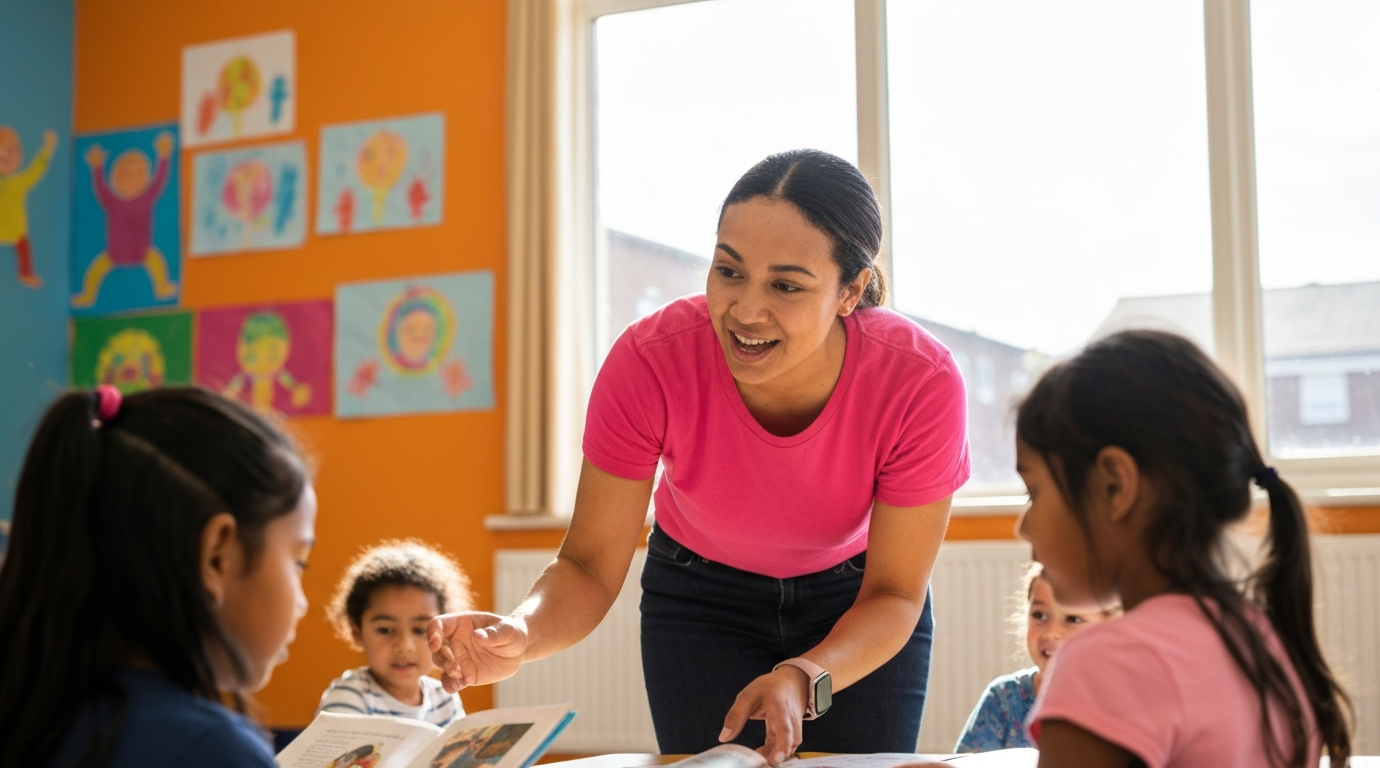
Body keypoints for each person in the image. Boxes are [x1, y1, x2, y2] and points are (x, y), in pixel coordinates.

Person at [428, 149, 970, 763]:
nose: (744, 310)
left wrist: (803, 674)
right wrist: (521, 634)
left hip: (858, 604)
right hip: (699, 599)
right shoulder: (650, 361)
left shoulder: (919, 381)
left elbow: (896, 594)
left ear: (851, 291)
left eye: (786, 285)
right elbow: (586, 565)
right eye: (728, 271)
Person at [1016, 329, 1352, 768]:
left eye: (1033, 492)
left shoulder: (1107, 663)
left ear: (1114, 485)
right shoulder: (1267, 644)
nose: (1024, 527)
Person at [0, 385, 316, 768]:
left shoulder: (33, 715)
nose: (302, 602)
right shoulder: (210, 750)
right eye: (299, 562)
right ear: (217, 556)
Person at [953, 565, 1116, 752]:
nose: (1051, 632)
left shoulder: (1123, 702)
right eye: (1039, 615)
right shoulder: (1003, 697)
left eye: (1073, 619)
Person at [319, 540, 470, 727]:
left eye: (421, 630)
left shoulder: (445, 698)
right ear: (357, 633)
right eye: (385, 630)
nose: (405, 646)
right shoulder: (349, 696)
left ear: (444, 633)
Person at [72, 132, 179, 309]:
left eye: (137, 174)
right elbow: (100, 188)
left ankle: (162, 288)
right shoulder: (112, 201)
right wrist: (97, 166)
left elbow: (159, 180)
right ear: (115, 179)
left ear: (146, 178)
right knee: (95, 272)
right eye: (125, 175)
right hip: (113, 253)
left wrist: (164, 155)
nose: (131, 179)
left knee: (157, 264)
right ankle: (87, 295)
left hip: (143, 252)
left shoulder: (146, 196)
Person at [0, 125, 57, 288]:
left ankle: (25, 273)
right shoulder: (18, 182)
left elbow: (35, 171)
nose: (4, 154)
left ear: (19, 157)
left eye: (10, 150)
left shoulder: (19, 182)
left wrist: (47, 149)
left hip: (15, 230)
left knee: (24, 247)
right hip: (14, 230)